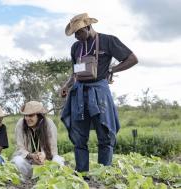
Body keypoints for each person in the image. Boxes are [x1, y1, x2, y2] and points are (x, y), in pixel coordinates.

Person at [60, 13, 138, 174]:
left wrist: (112, 69)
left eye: (79, 32)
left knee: (105, 133)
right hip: (80, 94)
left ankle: (104, 173)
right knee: (79, 136)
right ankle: (82, 174)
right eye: (74, 34)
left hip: (99, 93)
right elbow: (75, 73)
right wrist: (66, 86)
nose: (76, 36)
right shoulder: (76, 47)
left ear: (88, 27)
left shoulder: (108, 40)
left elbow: (132, 59)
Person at [12, 101, 64, 180]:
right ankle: (26, 179)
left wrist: (44, 156)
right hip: (29, 163)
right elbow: (20, 148)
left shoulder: (49, 124)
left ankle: (48, 178)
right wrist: (32, 156)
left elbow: (53, 149)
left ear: (39, 116)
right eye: (25, 115)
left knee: (58, 160)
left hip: (45, 163)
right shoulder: (20, 124)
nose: (27, 118)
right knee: (17, 160)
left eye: (31, 115)